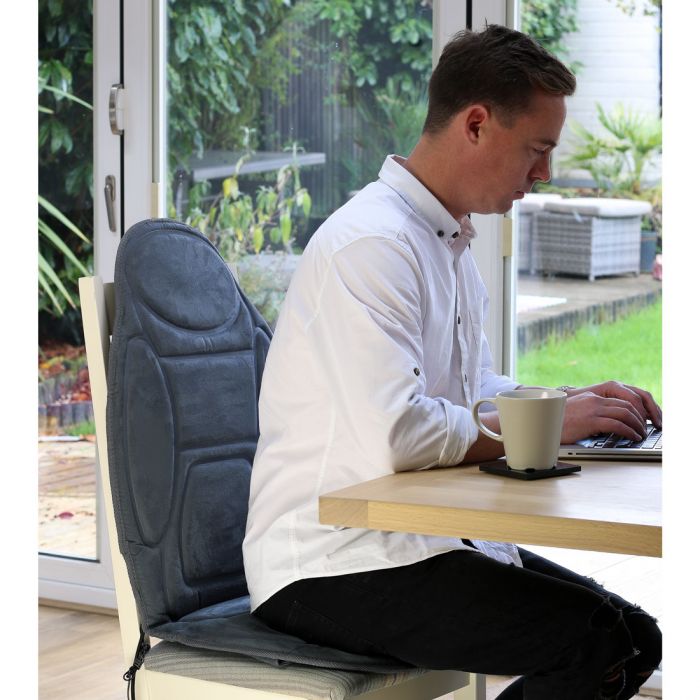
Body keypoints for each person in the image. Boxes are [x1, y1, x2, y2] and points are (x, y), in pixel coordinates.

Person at [243, 25, 662, 699]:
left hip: (421, 543)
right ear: (475, 125)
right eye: (538, 148)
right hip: (328, 561)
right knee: (596, 641)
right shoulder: (372, 244)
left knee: (637, 638)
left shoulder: (445, 240)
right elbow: (400, 434)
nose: (545, 172)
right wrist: (554, 424)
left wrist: (570, 401)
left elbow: (474, 390)